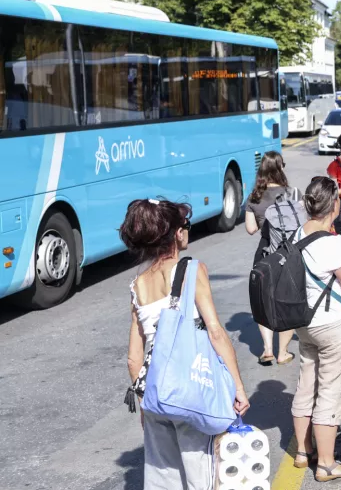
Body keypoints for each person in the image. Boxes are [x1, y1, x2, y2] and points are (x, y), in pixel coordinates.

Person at [124, 198, 249, 490]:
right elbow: (215, 332)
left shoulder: (137, 285)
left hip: (156, 393)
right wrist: (237, 387)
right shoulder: (192, 270)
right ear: (176, 233)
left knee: (163, 479)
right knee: (201, 475)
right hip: (190, 390)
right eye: (186, 225)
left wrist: (146, 402)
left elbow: (133, 357)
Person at [289, 177, 341, 482]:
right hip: (334, 326)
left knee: (306, 383)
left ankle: (302, 451)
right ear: (335, 204)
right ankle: (325, 463)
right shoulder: (334, 243)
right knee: (331, 392)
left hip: (305, 324)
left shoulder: (298, 234)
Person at [244, 151, 297, 365]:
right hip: (288, 253)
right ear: (280, 168)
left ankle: (267, 349)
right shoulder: (293, 193)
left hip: (264, 252)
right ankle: (283, 352)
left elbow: (250, 229)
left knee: (263, 300)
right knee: (287, 301)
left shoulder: (254, 197)